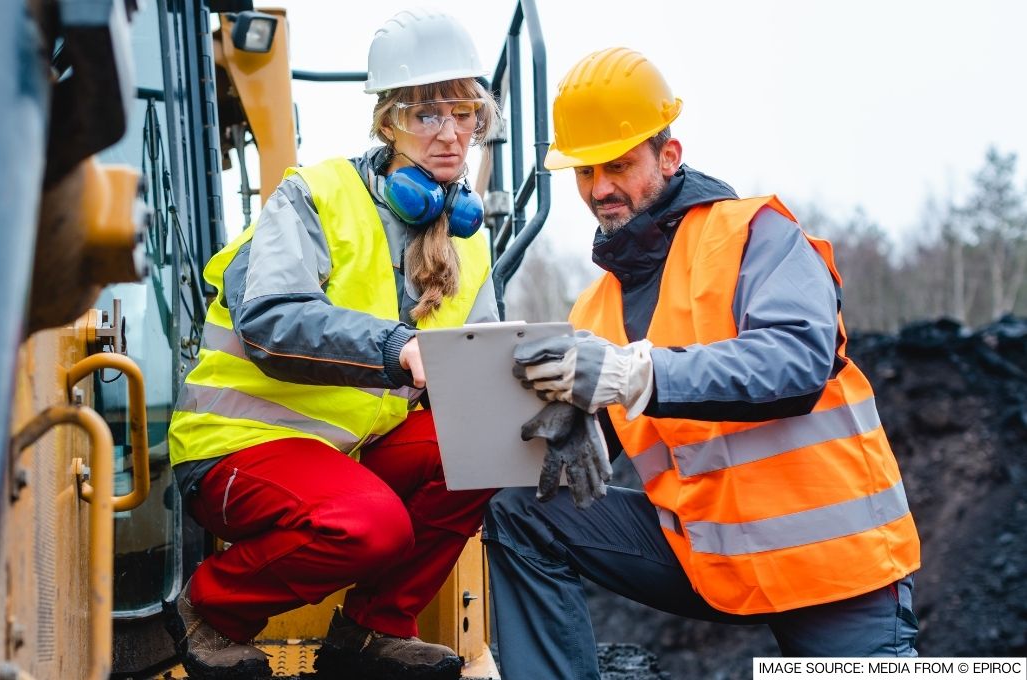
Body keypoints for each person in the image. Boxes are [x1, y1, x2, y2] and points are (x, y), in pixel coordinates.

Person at [482, 47, 922, 679]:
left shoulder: (755, 236)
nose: (599, 188)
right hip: (711, 558)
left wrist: (635, 375)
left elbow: (795, 362)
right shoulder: (594, 309)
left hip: (834, 566)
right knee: (522, 510)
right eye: (583, 171)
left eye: (619, 165)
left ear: (669, 155)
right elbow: (610, 419)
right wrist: (570, 425)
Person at [165, 9, 501, 680]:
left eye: (465, 113)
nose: (450, 132)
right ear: (388, 123)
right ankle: (212, 610)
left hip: (342, 457)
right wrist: (396, 345)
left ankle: (373, 631)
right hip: (236, 450)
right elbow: (269, 318)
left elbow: (485, 372)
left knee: (483, 442)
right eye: (426, 114)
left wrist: (554, 408)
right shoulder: (314, 196)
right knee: (374, 525)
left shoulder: (469, 240)